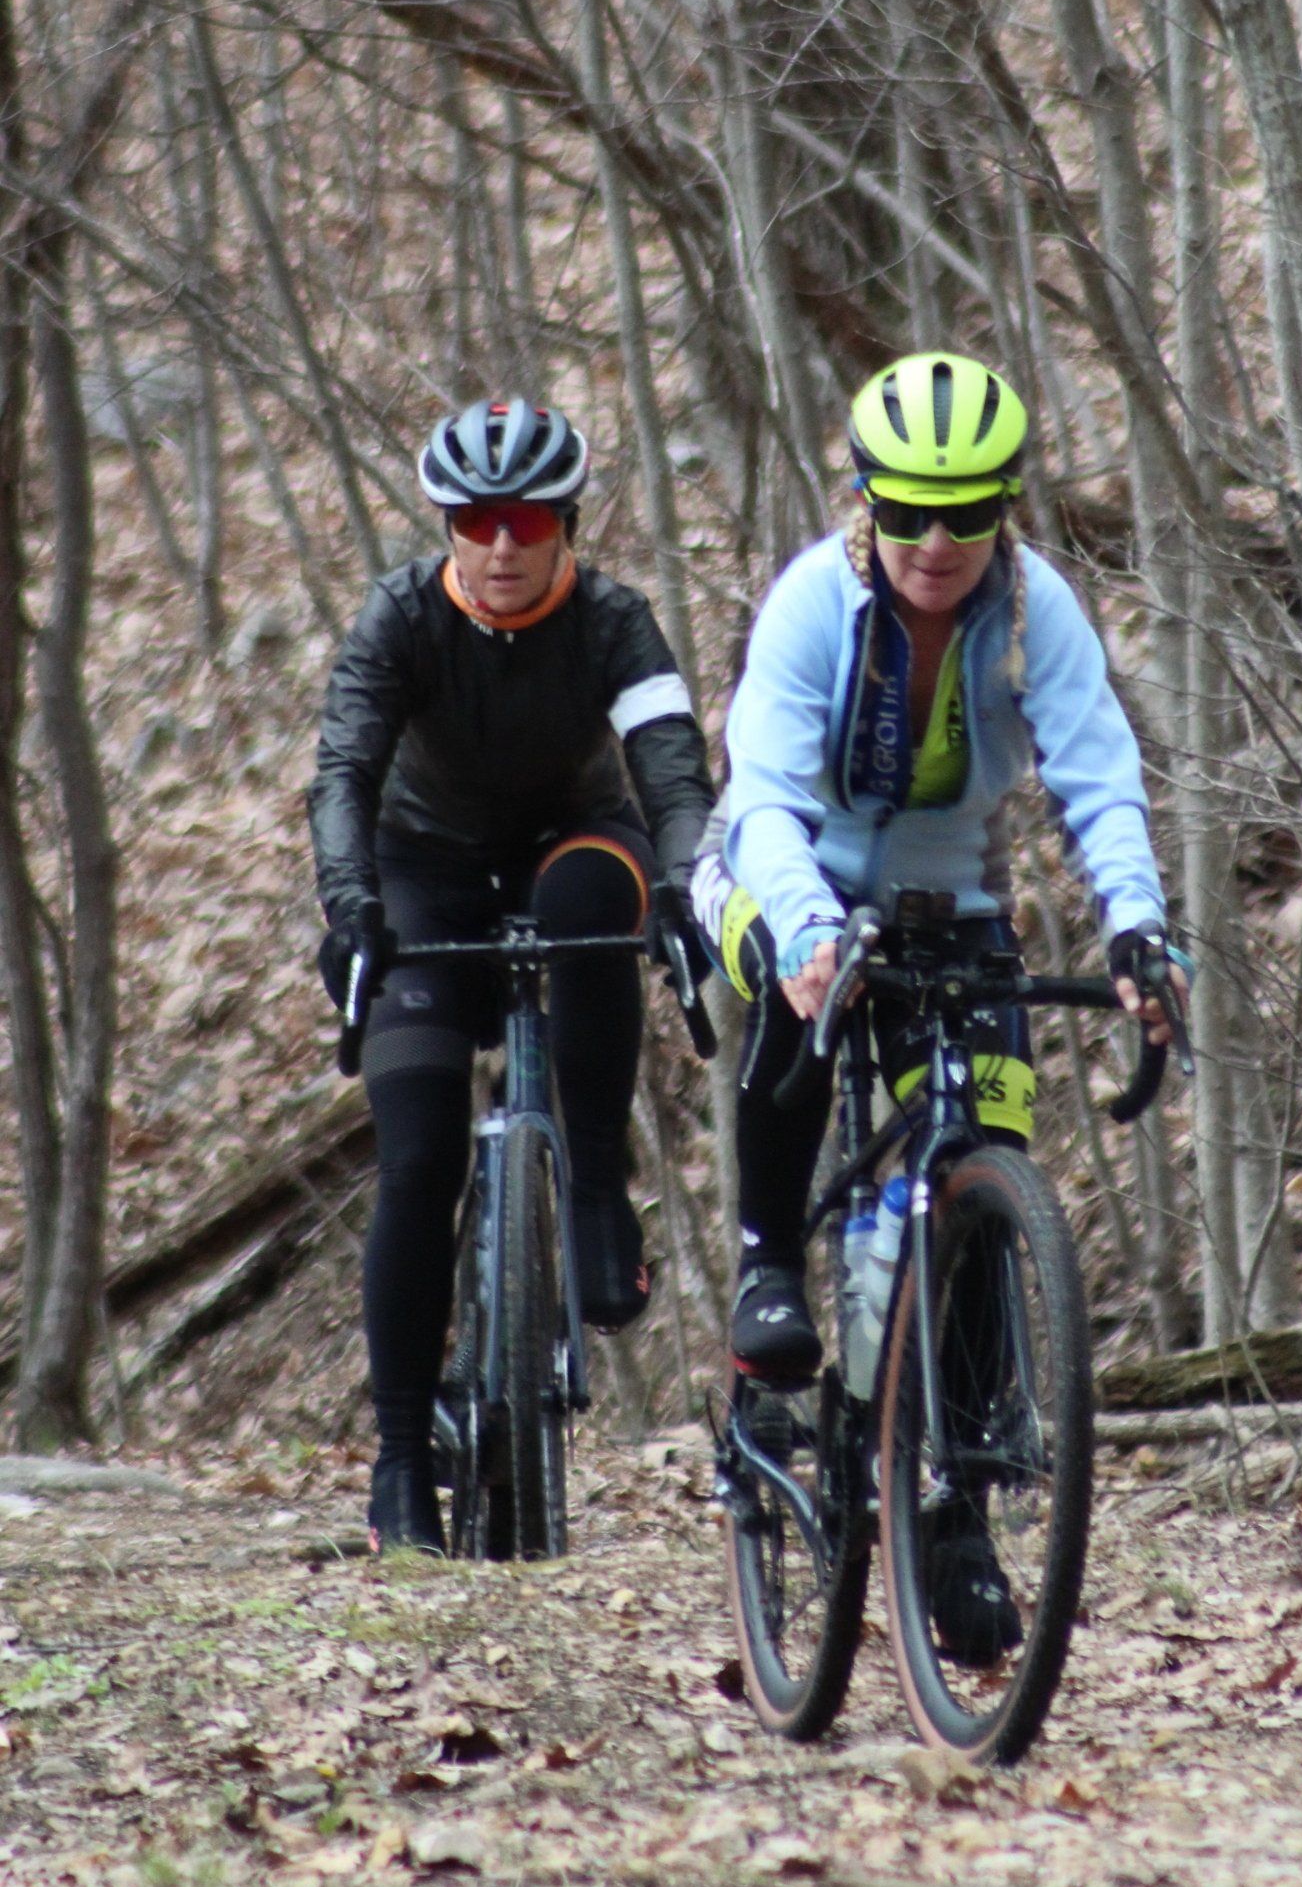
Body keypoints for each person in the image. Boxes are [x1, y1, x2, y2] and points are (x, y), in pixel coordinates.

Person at [692, 349, 1182, 1661]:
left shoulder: (1035, 610)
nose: (936, 539)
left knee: (985, 1144)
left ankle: (958, 1509)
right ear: (867, 501)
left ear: (1005, 508)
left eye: (968, 511)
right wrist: (803, 929)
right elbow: (762, 801)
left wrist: (1138, 924)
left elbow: (1098, 776)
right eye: (907, 509)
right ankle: (763, 1269)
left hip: (948, 903)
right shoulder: (813, 604)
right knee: (796, 987)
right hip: (789, 875)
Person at [308, 397, 714, 1554]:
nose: (499, 547)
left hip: (572, 841)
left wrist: (684, 893)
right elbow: (343, 772)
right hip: (419, 862)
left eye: (525, 522)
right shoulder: (399, 619)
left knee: (591, 902)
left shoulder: (614, 622)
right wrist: (353, 914)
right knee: (418, 1153)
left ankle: (591, 1183)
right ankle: (398, 1466)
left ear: (565, 525)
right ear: (447, 525)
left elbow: (675, 778)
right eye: (475, 521)